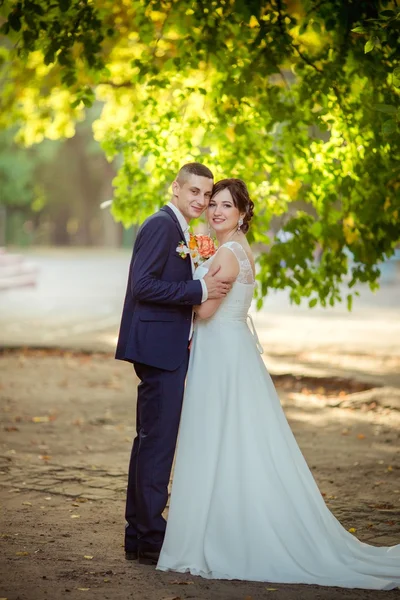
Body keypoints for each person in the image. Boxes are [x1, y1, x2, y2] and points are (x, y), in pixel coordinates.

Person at [157, 178, 400, 590]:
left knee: (220, 438)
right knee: (228, 440)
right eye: (212, 203)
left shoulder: (228, 255)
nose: (215, 211)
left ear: (241, 213)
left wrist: (183, 291)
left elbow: (204, 312)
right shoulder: (229, 250)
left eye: (225, 206)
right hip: (225, 354)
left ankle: (222, 534)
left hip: (223, 358)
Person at [115, 163, 233, 565]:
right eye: (194, 192)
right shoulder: (162, 225)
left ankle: (139, 533)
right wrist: (198, 288)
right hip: (158, 349)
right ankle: (149, 535)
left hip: (163, 347)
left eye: (206, 194)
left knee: (150, 440)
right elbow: (142, 285)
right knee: (158, 443)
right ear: (176, 188)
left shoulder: (181, 228)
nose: (201, 201)